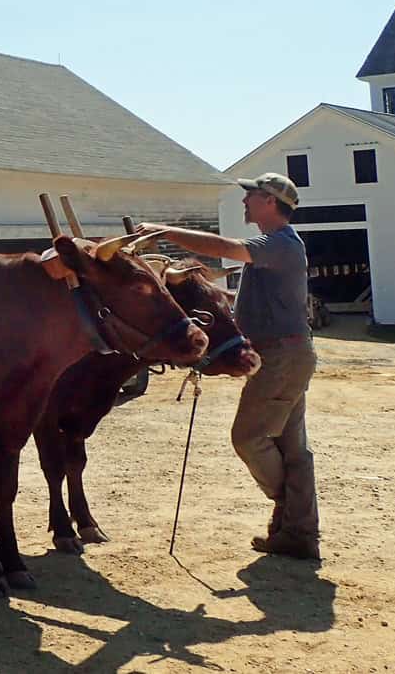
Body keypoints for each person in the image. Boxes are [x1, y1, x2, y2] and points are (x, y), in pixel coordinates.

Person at [139, 172, 319, 561]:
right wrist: (201, 282)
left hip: (281, 356)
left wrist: (164, 230)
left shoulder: (279, 244)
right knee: (292, 447)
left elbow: (227, 246)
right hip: (289, 353)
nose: (244, 201)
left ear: (269, 201)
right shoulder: (274, 250)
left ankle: (291, 512)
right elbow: (241, 289)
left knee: (248, 438)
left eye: (250, 195)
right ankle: (297, 533)